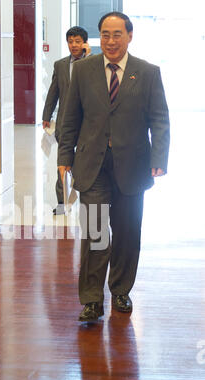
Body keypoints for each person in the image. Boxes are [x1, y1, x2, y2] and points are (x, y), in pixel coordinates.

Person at [58, 12, 170, 321]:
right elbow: (70, 119)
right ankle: (92, 299)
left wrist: (159, 159)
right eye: (105, 34)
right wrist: (64, 158)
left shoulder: (147, 73)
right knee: (96, 232)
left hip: (133, 165)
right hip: (92, 164)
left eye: (117, 34)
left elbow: (160, 120)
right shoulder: (82, 71)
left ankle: (120, 290)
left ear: (130, 36)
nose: (110, 41)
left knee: (126, 231)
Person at [42, 26, 91, 215]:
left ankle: (86, 199)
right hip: (64, 123)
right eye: (70, 41)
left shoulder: (92, 63)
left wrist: (87, 56)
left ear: (85, 43)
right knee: (63, 164)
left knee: (86, 163)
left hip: (87, 124)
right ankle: (62, 203)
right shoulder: (60, 65)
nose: (74, 45)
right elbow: (53, 91)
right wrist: (47, 115)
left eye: (78, 41)